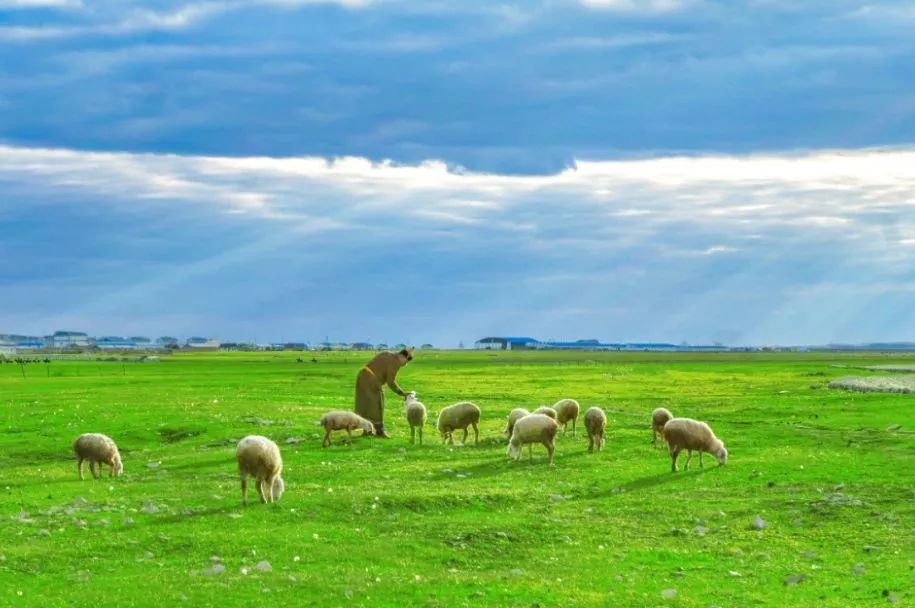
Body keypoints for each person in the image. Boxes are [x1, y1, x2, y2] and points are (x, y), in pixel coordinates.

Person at [354, 347, 414, 438]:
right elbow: (391, 381)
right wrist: (401, 393)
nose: (404, 365)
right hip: (371, 380)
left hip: (362, 376)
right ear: (402, 356)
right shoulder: (395, 362)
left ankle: (366, 431)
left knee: (365, 405)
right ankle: (379, 432)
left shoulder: (387, 354)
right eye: (405, 362)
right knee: (378, 404)